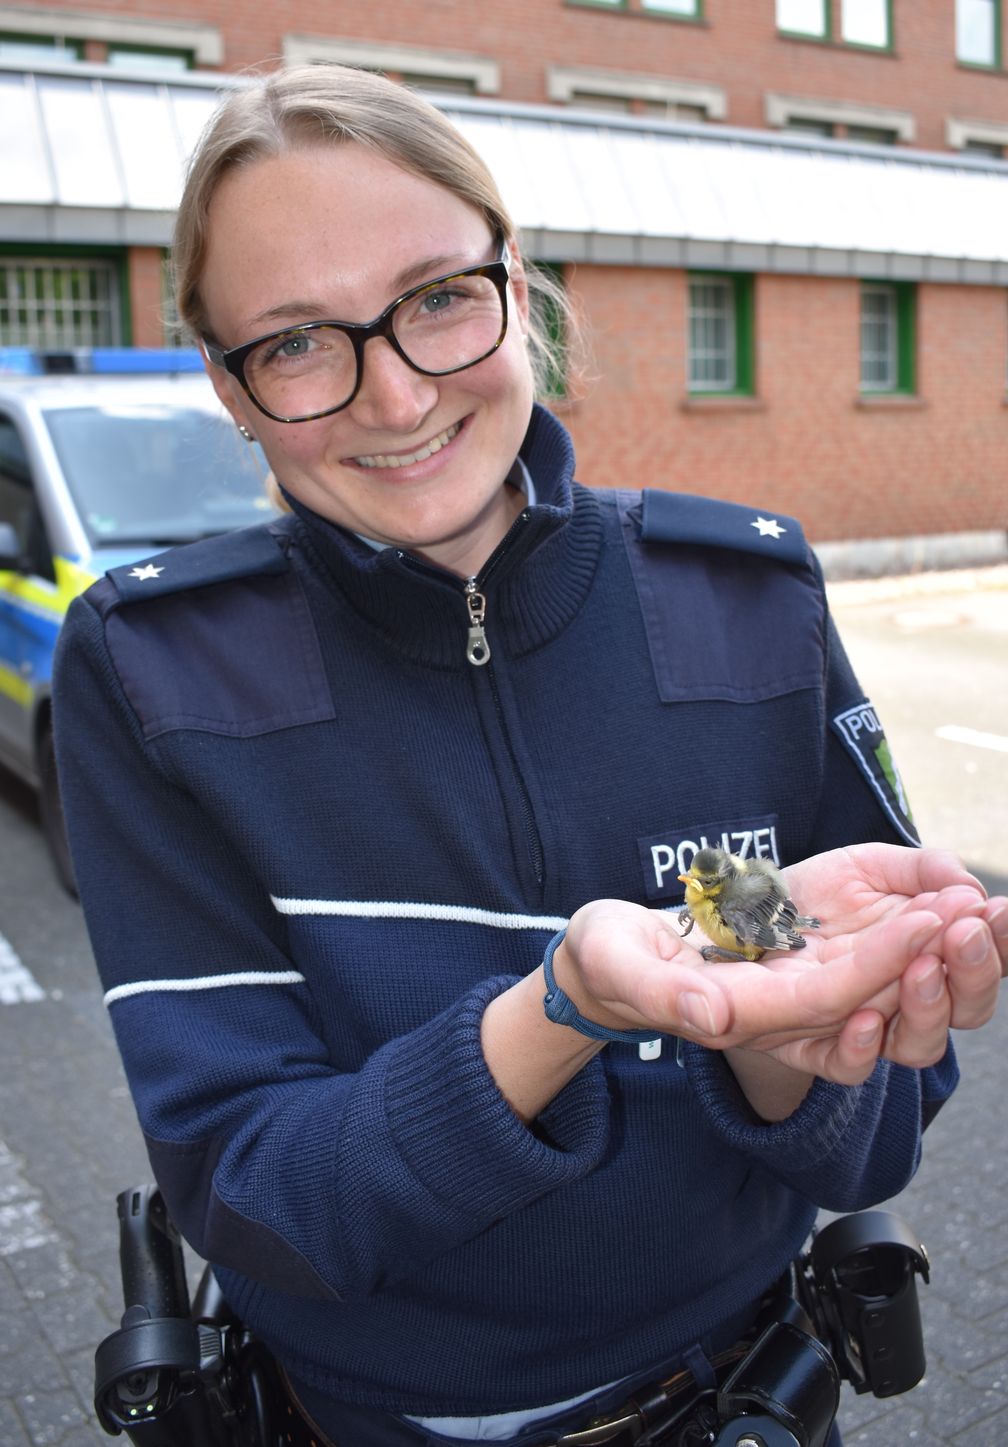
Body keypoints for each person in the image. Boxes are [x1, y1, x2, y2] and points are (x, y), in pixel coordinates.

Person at [53, 64, 1005, 1447]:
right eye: (301, 343)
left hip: (737, 1397)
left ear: (517, 285)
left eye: (438, 298)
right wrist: (559, 1008)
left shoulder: (741, 609)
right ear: (229, 385)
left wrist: (792, 1049)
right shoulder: (159, 674)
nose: (394, 398)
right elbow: (256, 1195)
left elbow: (864, 1094)